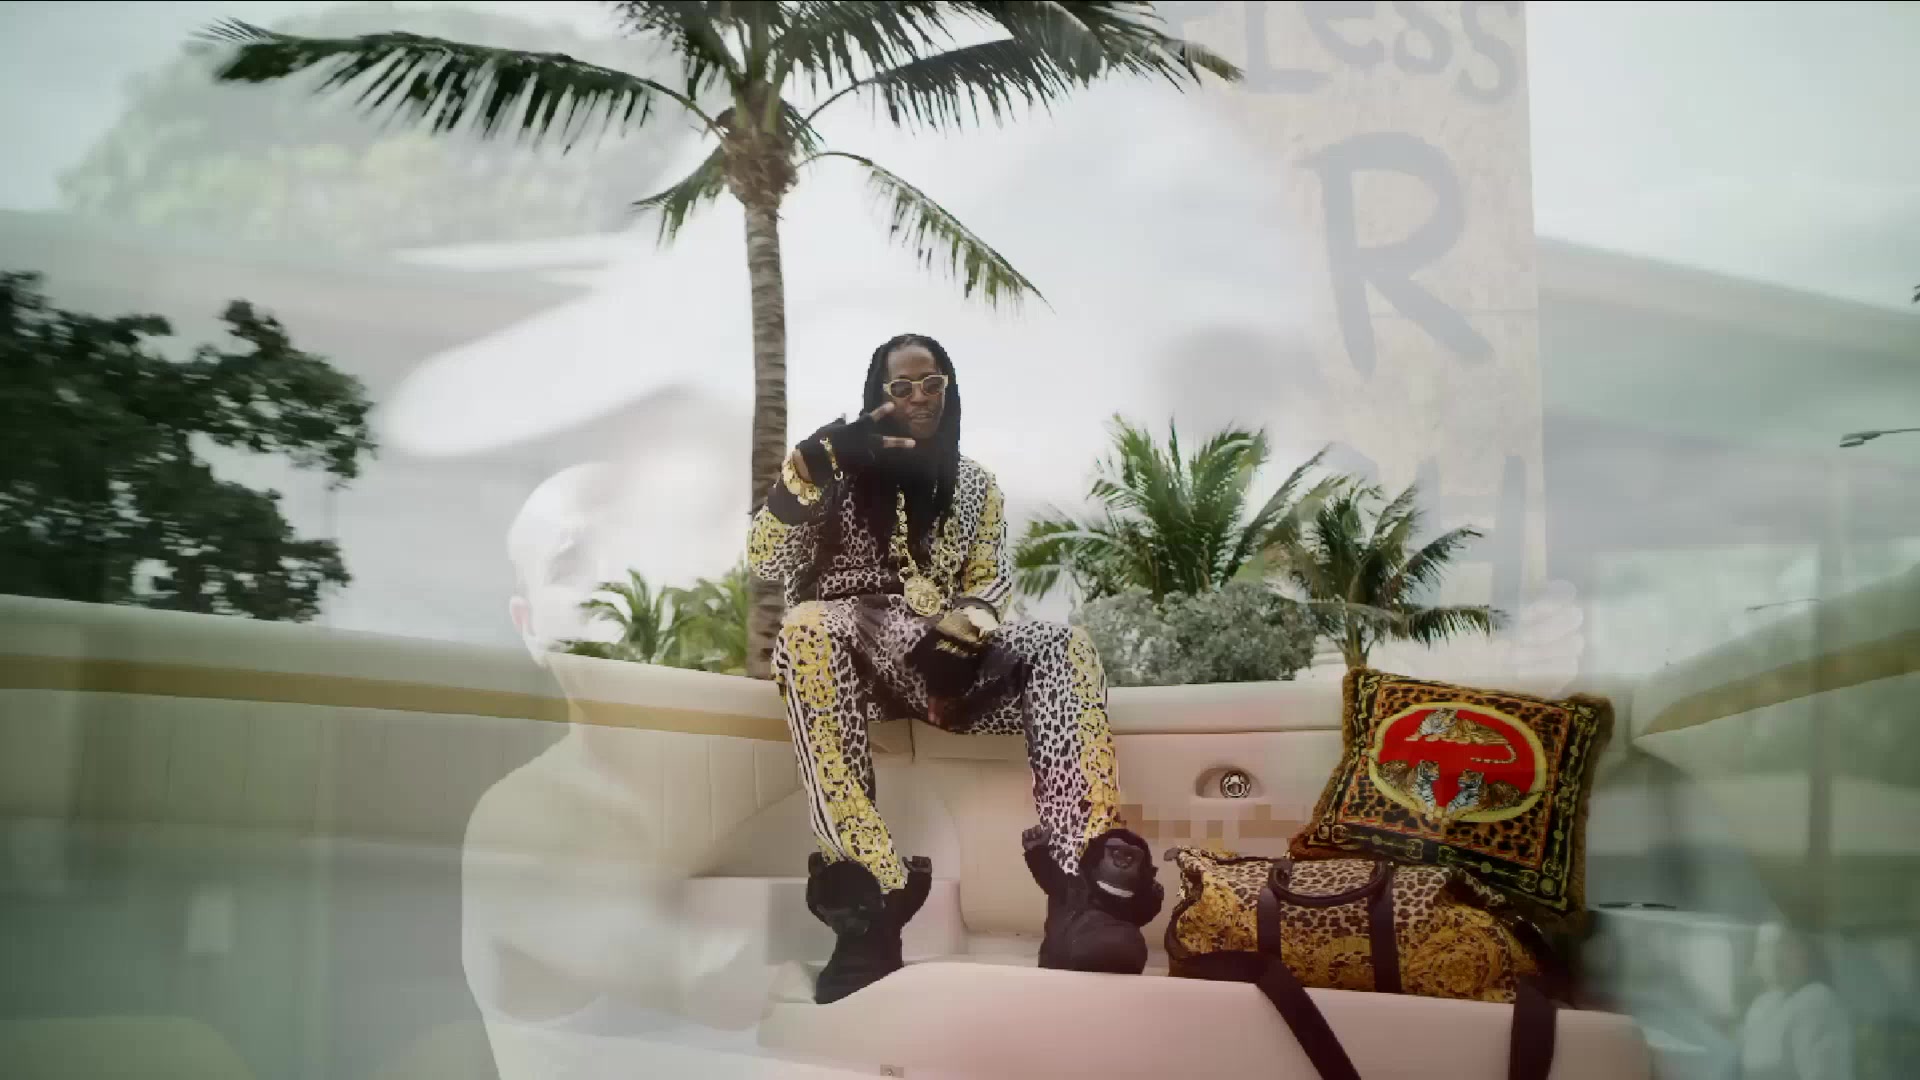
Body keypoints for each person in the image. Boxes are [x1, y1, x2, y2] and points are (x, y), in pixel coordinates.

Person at [748, 333, 1153, 1004]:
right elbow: (766, 559)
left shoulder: (975, 485)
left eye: (930, 383)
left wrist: (963, 636)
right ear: (879, 395)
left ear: (948, 388)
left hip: (947, 662)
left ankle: (1083, 896)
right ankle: (869, 904)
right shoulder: (835, 469)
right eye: (901, 387)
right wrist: (806, 472)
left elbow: (988, 580)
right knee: (806, 628)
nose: (919, 398)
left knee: (1064, 644)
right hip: (849, 659)